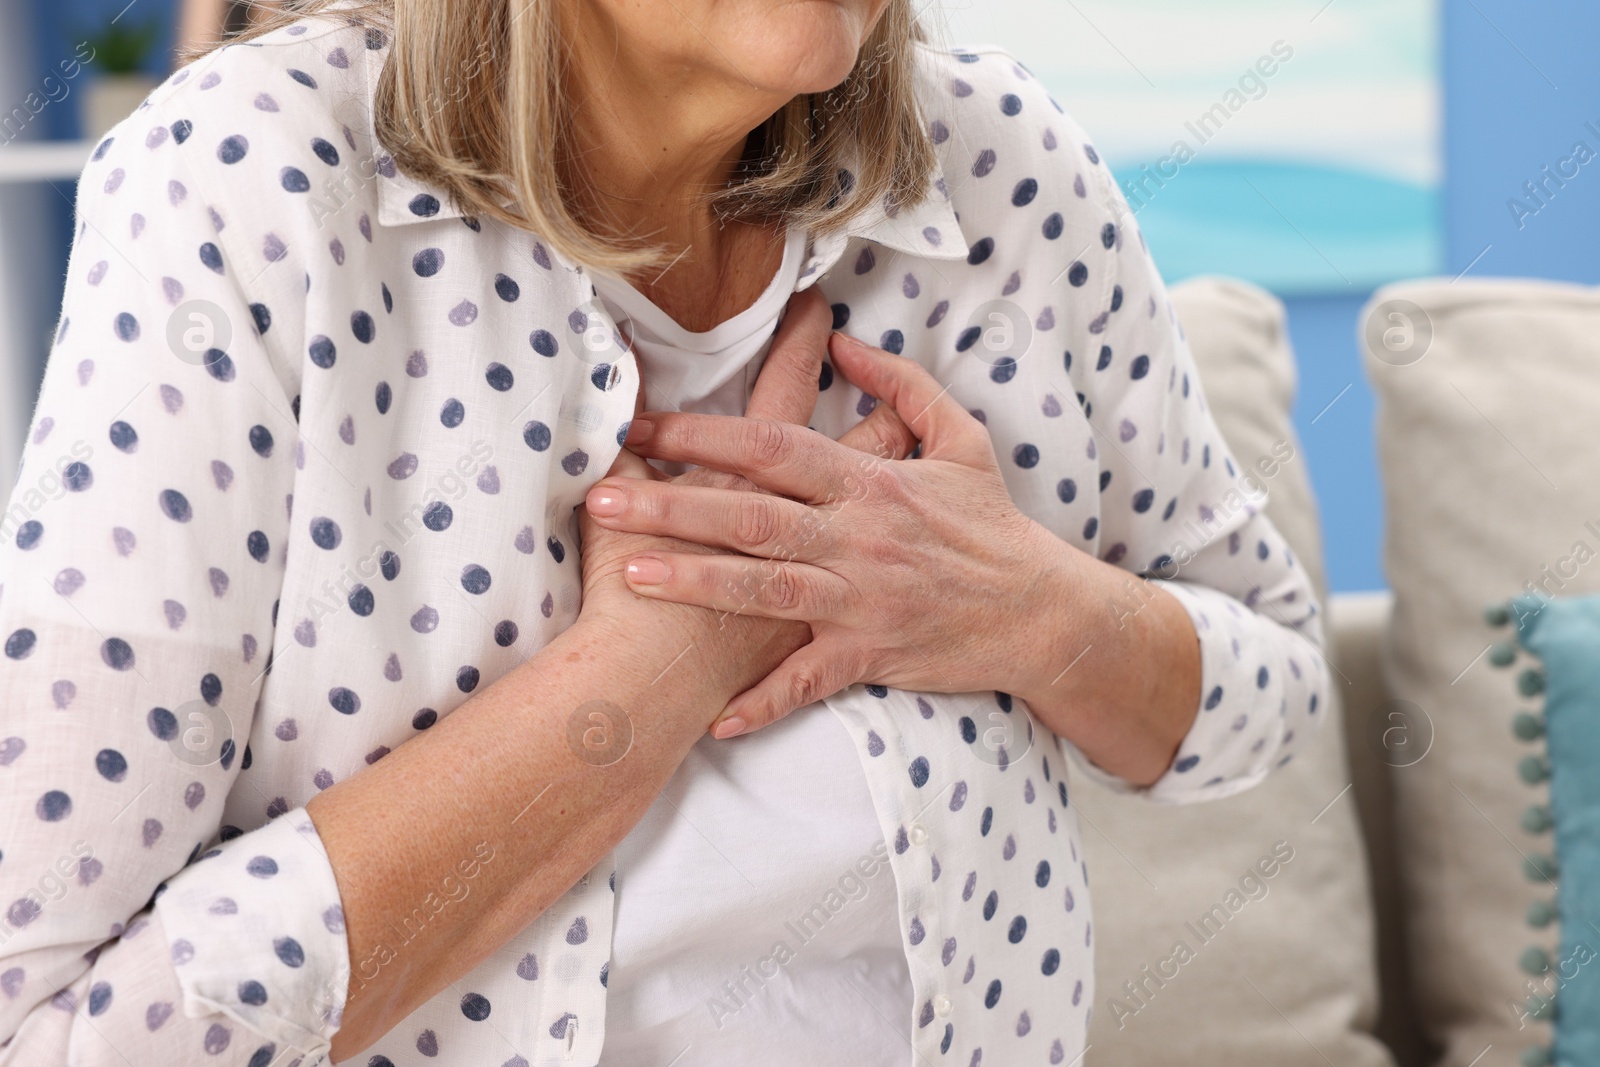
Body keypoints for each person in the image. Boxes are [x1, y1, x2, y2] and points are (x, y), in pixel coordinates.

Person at [0, 0, 1328, 1063]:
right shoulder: (253, 182)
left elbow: (1272, 689)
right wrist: (653, 673)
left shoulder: (1002, 172)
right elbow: (44, 1024)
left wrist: (1040, 614)